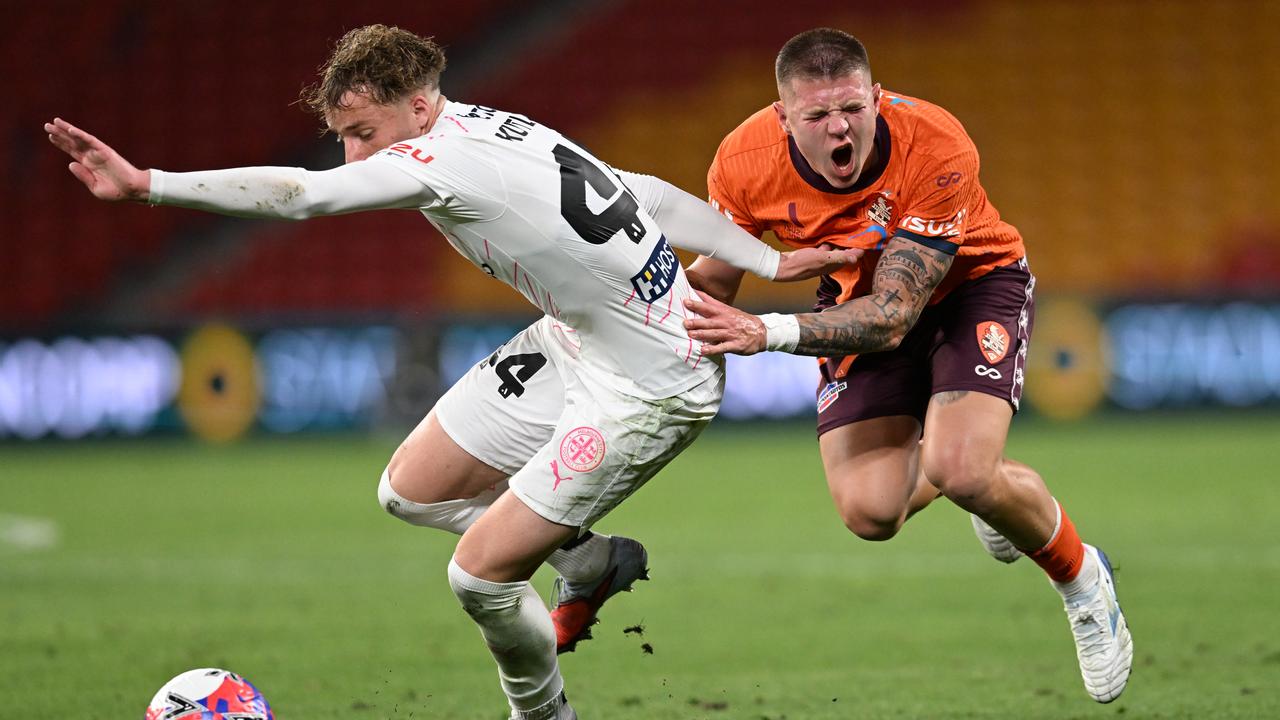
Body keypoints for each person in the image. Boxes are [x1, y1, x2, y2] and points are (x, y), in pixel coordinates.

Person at [45, 25, 860, 720]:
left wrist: (149, 185)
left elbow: (301, 195)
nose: (353, 154)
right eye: (343, 136)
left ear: (420, 108)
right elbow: (641, 191)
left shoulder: (441, 157)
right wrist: (766, 257)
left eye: (364, 132)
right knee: (410, 490)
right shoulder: (498, 126)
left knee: (477, 577)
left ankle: (542, 712)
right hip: (581, 338)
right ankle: (584, 559)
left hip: (651, 381)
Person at [682, 28, 1132, 704]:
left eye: (853, 109)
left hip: (971, 286)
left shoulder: (935, 142)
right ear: (783, 117)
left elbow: (895, 313)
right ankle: (984, 488)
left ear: (876, 97)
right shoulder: (743, 161)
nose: (840, 128)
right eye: (817, 116)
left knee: (961, 468)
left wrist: (766, 331)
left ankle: (1081, 580)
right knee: (870, 512)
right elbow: (714, 281)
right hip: (853, 298)